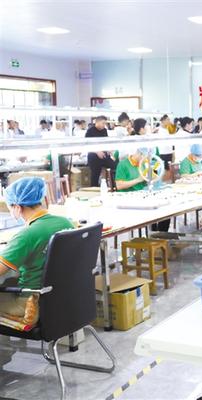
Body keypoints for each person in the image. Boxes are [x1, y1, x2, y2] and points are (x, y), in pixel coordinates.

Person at [0, 177, 73, 321]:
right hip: (62, 297)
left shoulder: (26, 235)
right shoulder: (66, 222)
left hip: (30, 303)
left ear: (17, 207)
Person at [115, 148, 170, 231]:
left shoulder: (142, 164)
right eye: (145, 157)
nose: (146, 160)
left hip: (142, 196)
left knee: (166, 210)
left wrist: (152, 177)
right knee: (155, 211)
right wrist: (138, 180)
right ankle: (154, 233)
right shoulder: (123, 164)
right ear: (139, 154)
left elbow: (146, 181)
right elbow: (119, 186)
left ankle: (160, 235)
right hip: (128, 200)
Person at [85, 115, 117, 186]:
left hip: (104, 155)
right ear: (97, 122)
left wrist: (108, 150)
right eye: (103, 123)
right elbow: (87, 145)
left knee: (114, 166)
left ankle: (114, 186)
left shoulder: (104, 130)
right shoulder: (90, 131)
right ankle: (94, 188)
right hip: (93, 155)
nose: (104, 125)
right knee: (95, 174)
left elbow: (106, 142)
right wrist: (97, 151)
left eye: (105, 123)